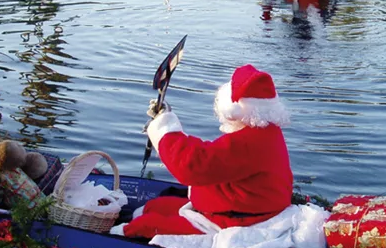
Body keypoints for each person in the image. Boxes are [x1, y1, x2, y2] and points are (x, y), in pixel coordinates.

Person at [110, 65, 293, 238]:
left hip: (236, 220)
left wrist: (164, 129)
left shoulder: (250, 142)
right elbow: (214, 156)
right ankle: (132, 218)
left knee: (146, 225)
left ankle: (115, 237)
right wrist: (166, 119)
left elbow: (194, 165)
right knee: (156, 206)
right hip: (232, 208)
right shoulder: (265, 133)